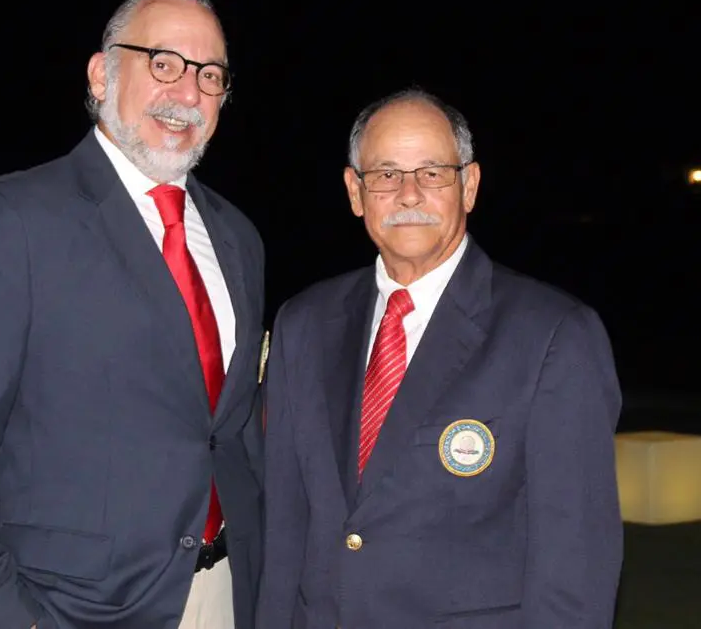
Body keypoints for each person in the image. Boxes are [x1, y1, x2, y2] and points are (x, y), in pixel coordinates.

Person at [0, 0, 267, 629]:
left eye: (210, 74)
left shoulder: (238, 238)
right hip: (69, 608)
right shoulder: (15, 220)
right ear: (101, 73)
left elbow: (225, 431)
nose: (188, 92)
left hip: (227, 593)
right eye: (163, 62)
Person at [256, 89, 623, 628]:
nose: (408, 194)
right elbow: (285, 527)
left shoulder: (553, 336)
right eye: (385, 174)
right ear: (355, 192)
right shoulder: (303, 324)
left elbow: (577, 563)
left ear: (469, 186)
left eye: (432, 173)